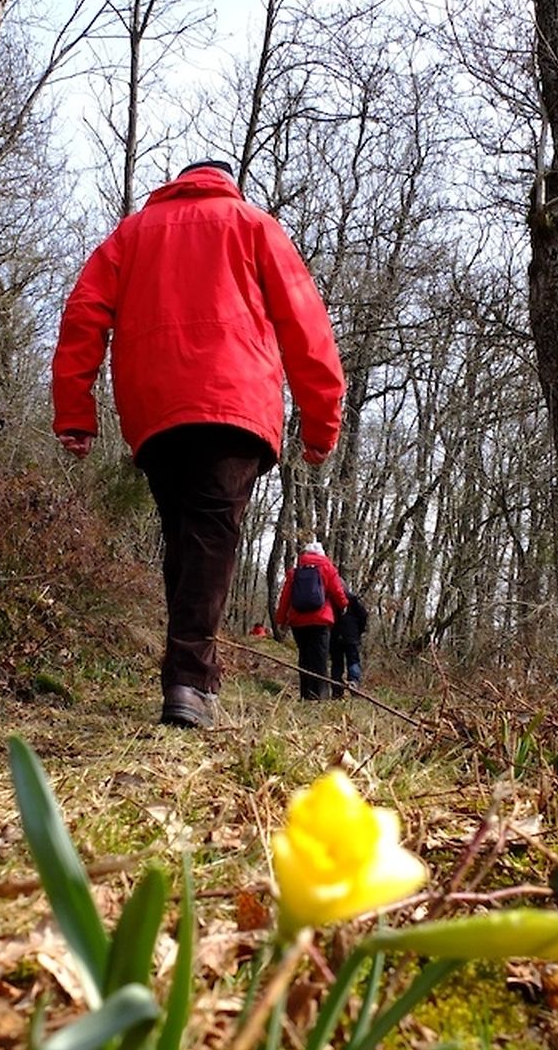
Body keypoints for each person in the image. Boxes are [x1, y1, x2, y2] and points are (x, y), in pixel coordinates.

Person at [51, 160, 346, 729]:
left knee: (187, 543)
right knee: (209, 539)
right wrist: (320, 422)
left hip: (155, 409)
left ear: (177, 183)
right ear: (228, 181)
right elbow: (307, 326)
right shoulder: (253, 225)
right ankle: (188, 681)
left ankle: (194, 676)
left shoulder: (132, 234)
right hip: (234, 404)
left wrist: (75, 411)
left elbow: (83, 313)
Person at [275, 541, 348, 700]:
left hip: (298, 622)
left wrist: (281, 619)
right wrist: (343, 605)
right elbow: (337, 591)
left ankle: (306, 694)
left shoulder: (295, 572)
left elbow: (285, 597)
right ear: (321, 554)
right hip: (320, 620)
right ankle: (319, 696)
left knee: (304, 657)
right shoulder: (328, 568)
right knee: (320, 659)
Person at [330, 589, 368, 697]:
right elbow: (363, 615)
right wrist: (358, 630)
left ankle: (337, 690)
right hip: (351, 636)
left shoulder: (330, 600)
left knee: (337, 664)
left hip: (335, 636)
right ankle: (354, 683)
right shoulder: (352, 599)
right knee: (353, 661)